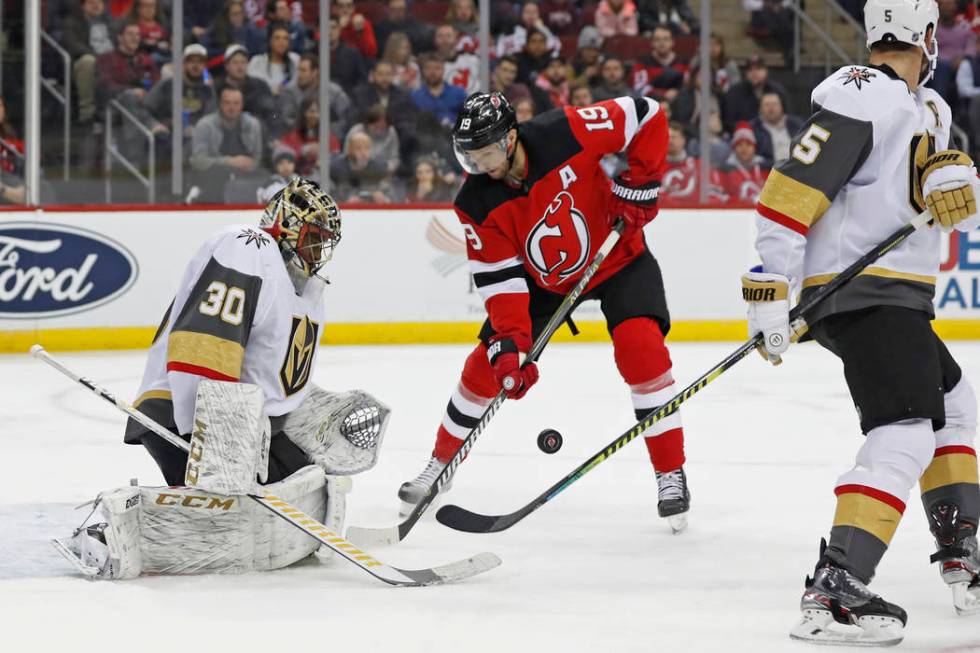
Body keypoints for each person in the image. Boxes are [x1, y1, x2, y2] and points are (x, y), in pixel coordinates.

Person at [741, 1, 980, 644]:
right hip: (864, 293)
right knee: (905, 431)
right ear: (926, 37)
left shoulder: (924, 108)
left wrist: (949, 180)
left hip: (897, 295)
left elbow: (915, 193)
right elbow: (793, 186)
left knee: (955, 406)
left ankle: (962, 554)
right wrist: (772, 286)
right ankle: (837, 588)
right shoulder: (865, 93)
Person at [398, 91, 693, 533]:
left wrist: (641, 180)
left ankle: (670, 472)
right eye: (471, 158)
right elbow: (501, 283)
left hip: (619, 258)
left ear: (512, 137)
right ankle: (440, 465)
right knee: (484, 366)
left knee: (642, 350)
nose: (482, 166)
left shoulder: (565, 131)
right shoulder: (476, 203)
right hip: (543, 283)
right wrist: (512, 346)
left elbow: (647, 114)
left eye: (489, 154)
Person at [123, 177, 340, 485]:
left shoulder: (299, 287)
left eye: (324, 243)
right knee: (246, 507)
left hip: (245, 423)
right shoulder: (248, 247)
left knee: (307, 477)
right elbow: (206, 346)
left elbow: (265, 370)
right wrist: (221, 445)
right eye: (312, 238)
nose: (318, 253)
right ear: (283, 226)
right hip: (181, 416)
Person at [189, 86, 264, 203]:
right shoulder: (205, 125)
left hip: (245, 174)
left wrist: (251, 164)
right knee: (217, 176)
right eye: (227, 103)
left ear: (242, 105)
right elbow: (198, 161)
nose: (231, 107)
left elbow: (258, 157)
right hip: (213, 176)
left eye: (236, 103)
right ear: (220, 104)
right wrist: (230, 161)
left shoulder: (253, 125)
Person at [64, 0, 116, 124]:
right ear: (83, 6)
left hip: (111, 60)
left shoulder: (112, 22)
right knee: (88, 61)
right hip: (82, 63)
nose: (96, 5)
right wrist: (99, 57)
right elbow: (73, 46)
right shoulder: (71, 23)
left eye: (99, 2)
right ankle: (87, 112)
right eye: (91, 2)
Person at [722, 54, 788, 131]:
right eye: (750, 70)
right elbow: (729, 122)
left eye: (758, 69)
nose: (754, 73)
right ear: (745, 73)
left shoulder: (777, 90)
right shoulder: (734, 93)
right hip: (744, 137)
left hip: (774, 133)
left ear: (766, 71)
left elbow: (787, 116)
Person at [329, 131, 394, 204]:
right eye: (358, 148)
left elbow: (391, 197)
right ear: (350, 149)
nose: (363, 152)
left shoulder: (379, 168)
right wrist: (346, 199)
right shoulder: (336, 168)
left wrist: (384, 197)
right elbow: (330, 194)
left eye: (367, 148)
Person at [630, 24, 689, 102]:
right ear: (652, 42)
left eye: (666, 39)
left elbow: (689, 86)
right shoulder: (642, 62)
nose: (661, 43)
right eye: (657, 39)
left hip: (679, 104)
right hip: (651, 105)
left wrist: (677, 93)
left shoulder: (683, 62)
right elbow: (640, 88)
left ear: (672, 42)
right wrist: (664, 94)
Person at [411, 53, 467, 127]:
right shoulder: (415, 97)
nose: (432, 72)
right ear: (423, 71)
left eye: (437, 68)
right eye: (428, 68)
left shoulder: (458, 93)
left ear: (443, 70)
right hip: (425, 135)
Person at [749, 90, 803, 165]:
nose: (771, 108)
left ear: (782, 107)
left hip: (795, 167)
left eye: (775, 104)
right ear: (760, 109)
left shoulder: (796, 124)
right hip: (769, 170)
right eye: (767, 105)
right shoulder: (753, 128)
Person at [720, 122, 768, 203]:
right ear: (734, 148)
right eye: (740, 144)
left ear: (754, 147)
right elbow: (724, 198)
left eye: (748, 144)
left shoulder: (764, 168)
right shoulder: (726, 171)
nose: (744, 148)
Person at [247, 23, 301, 96]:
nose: (282, 42)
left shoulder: (295, 60)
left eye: (285, 38)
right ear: (270, 41)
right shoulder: (257, 62)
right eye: (277, 38)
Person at [435, 23, 481, 95]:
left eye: (448, 36)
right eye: (440, 36)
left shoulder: (473, 60)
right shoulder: (431, 65)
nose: (445, 40)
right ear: (435, 40)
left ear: (456, 39)